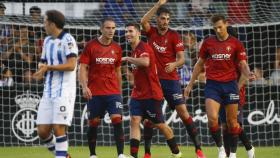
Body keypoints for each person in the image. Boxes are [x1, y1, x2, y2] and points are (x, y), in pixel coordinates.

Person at [140, 1, 206, 158]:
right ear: (157, 19)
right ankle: (147, 153)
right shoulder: (151, 32)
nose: (166, 21)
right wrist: (156, 5)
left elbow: (182, 59)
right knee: (150, 119)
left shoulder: (174, 35)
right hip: (154, 81)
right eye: (163, 18)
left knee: (183, 112)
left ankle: (198, 149)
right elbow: (143, 22)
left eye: (168, 19)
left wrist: (174, 64)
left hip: (171, 81)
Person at [184, 14, 255, 158]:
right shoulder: (208, 42)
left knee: (232, 122)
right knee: (212, 119)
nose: (217, 30)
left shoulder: (236, 43)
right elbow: (199, 64)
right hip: (213, 85)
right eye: (215, 28)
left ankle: (234, 154)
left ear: (226, 24)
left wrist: (249, 73)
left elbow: (242, 64)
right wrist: (190, 84)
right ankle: (221, 149)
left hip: (230, 85)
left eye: (220, 27)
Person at [122, 22, 182, 158]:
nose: (127, 34)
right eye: (126, 31)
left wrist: (126, 59)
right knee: (134, 120)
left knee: (160, 125)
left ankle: (176, 153)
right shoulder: (134, 50)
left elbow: (145, 62)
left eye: (131, 31)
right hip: (138, 94)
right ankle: (133, 155)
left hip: (152, 94)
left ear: (138, 33)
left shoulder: (143, 47)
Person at [79, 17, 127, 158]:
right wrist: (84, 86)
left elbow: (118, 70)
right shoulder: (91, 46)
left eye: (113, 28)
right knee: (94, 122)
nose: (111, 31)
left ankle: (120, 155)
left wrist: (119, 90)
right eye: (108, 28)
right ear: (101, 29)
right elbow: (82, 68)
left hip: (113, 92)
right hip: (95, 92)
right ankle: (93, 154)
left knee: (117, 120)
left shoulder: (117, 48)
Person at [33, 10, 78, 158]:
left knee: (59, 128)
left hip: (64, 91)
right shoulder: (47, 41)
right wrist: (40, 71)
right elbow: (44, 62)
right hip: (48, 91)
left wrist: (49, 68)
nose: (43, 25)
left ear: (52, 24)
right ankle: (64, 155)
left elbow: (72, 65)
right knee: (42, 131)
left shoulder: (68, 40)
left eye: (45, 22)